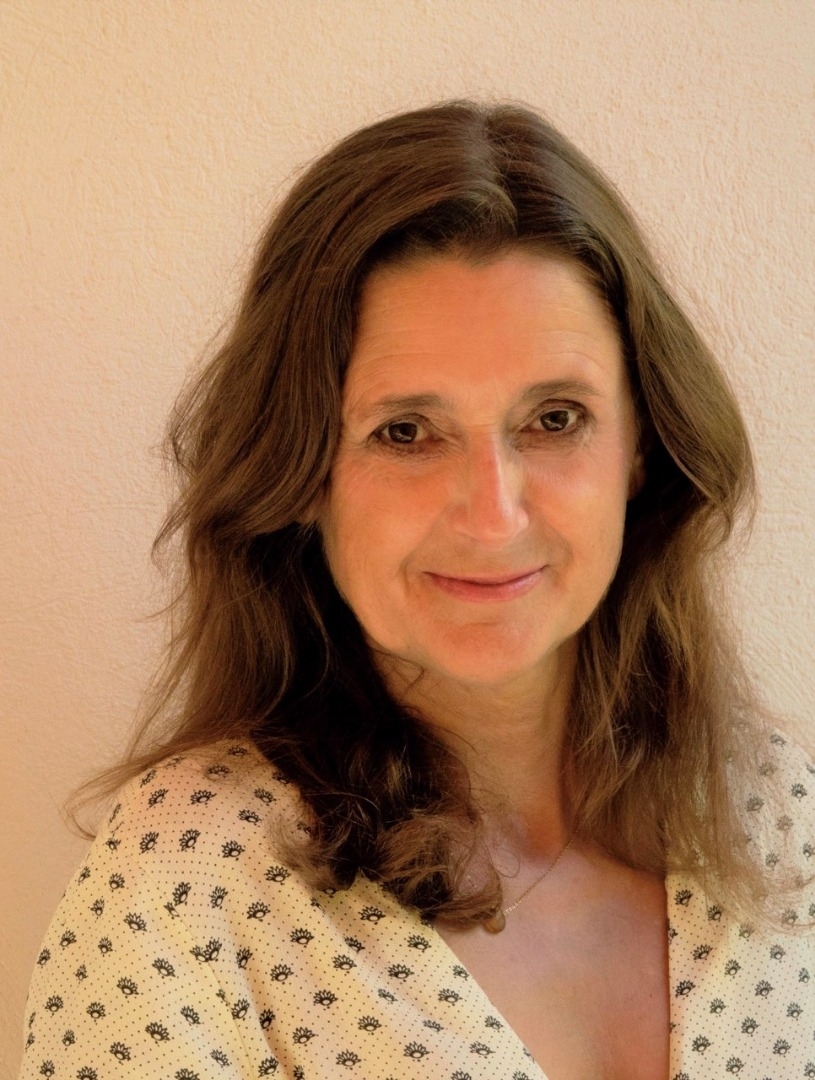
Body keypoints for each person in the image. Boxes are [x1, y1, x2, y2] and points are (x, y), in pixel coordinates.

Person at [19, 100, 815, 1080]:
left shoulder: (775, 810)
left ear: (640, 446)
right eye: (405, 432)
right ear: (303, 473)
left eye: (554, 418)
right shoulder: (181, 889)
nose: (492, 516)